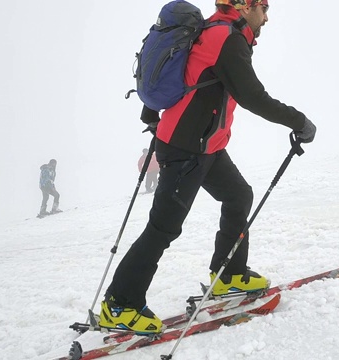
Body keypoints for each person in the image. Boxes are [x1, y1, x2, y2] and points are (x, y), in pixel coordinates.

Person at [99, 0, 317, 333]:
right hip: (185, 148)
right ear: (245, 7)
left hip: (206, 145)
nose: (267, 16)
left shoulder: (219, 30)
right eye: (263, 7)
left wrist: (151, 113)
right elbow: (252, 96)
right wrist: (298, 121)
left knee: (239, 195)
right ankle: (120, 304)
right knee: (164, 227)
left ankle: (227, 276)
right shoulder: (225, 38)